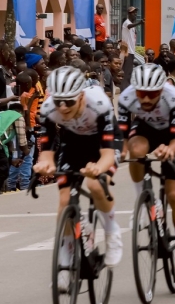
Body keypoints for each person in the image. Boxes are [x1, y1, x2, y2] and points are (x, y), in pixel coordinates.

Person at [32, 66, 122, 278]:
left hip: (102, 143)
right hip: (73, 143)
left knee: (96, 185)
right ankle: (64, 257)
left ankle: (112, 232)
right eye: (58, 101)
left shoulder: (99, 103)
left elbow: (108, 154)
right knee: (64, 201)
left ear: (81, 96)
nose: (63, 108)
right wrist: (45, 165)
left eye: (70, 101)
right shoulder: (48, 109)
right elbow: (47, 152)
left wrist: (98, 168)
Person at [118, 63, 175, 280]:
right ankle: (143, 199)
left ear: (162, 89)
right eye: (142, 93)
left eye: (152, 94)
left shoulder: (174, 97)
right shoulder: (126, 98)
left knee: (174, 194)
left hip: (172, 136)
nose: (147, 99)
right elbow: (123, 136)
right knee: (135, 151)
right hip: (145, 130)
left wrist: (169, 149)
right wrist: (119, 153)